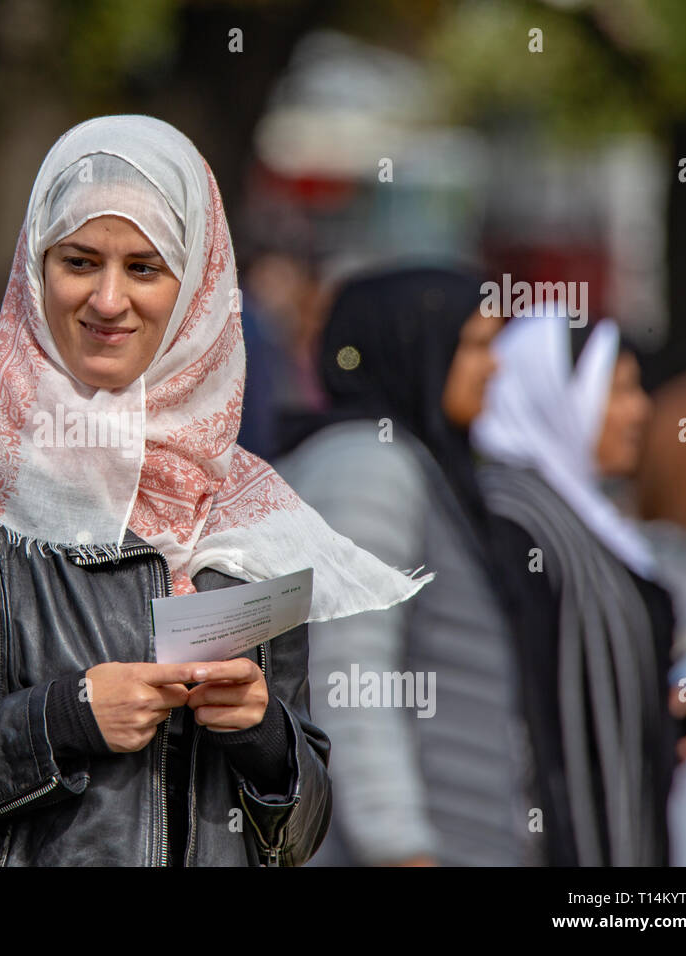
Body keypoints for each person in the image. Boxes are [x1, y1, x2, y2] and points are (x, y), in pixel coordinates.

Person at [0, 114, 428, 867]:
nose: (106, 299)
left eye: (144, 268)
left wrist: (265, 738)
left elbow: (296, 839)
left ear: (194, 285)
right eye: (79, 260)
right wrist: (60, 721)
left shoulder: (242, 507)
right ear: (36, 269)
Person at [275, 265, 532, 866]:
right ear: (413, 346)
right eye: (475, 346)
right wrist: (398, 846)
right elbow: (349, 670)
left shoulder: (422, 465)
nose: (494, 366)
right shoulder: (369, 464)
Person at [471, 314, 674, 866]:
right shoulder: (515, 521)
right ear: (557, 394)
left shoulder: (585, 514)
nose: (641, 410)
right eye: (620, 389)